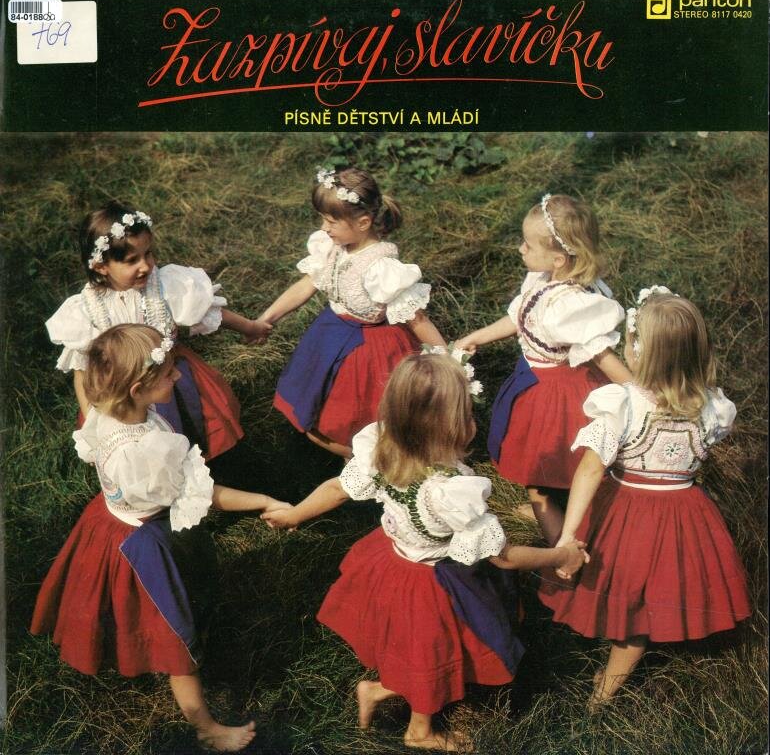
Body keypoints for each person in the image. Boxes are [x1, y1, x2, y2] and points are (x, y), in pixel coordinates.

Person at [263, 352, 588, 751]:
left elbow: (337, 488)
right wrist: (560, 556)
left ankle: (378, 690)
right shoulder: (450, 491)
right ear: (452, 426)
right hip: (433, 583)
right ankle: (419, 731)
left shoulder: (382, 447)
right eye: (467, 413)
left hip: (391, 563)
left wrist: (295, 514)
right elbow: (502, 556)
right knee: (431, 655)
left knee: (415, 651)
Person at [31, 324, 289, 752]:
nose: (179, 376)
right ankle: (205, 727)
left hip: (109, 524)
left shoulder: (106, 414)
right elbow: (207, 495)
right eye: (169, 373)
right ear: (137, 389)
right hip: (142, 544)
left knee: (136, 609)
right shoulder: (146, 450)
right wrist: (263, 500)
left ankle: (144, 648)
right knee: (175, 638)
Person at [539, 288, 752, 710]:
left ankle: (602, 697)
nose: (626, 348)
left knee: (630, 602)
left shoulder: (623, 404)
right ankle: (615, 670)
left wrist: (567, 536)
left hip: (628, 513)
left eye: (631, 341)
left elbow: (590, 470)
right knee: (653, 590)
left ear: (643, 354)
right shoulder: (713, 407)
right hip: (685, 513)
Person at [456, 193, 631, 545]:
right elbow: (519, 317)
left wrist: (639, 390)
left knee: (543, 468)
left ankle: (561, 545)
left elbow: (602, 355)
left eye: (527, 244)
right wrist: (478, 336)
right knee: (558, 465)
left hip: (558, 396)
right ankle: (557, 508)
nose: (520, 248)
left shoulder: (569, 306)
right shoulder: (542, 280)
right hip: (534, 381)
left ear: (558, 258)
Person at [45, 200, 271, 463]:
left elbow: (211, 313)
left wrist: (250, 327)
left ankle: (196, 467)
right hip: (123, 393)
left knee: (188, 431)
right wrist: (91, 424)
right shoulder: (86, 311)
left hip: (169, 379)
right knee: (140, 455)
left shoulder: (163, 286)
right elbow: (82, 371)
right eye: (132, 260)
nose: (146, 265)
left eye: (148, 254)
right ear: (100, 266)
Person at [257, 167, 445, 459]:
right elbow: (307, 284)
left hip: (370, 349)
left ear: (363, 222)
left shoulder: (381, 268)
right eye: (323, 219)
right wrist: (267, 318)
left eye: (331, 221)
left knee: (361, 412)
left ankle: (373, 462)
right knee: (322, 400)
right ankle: (357, 459)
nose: (324, 228)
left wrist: (447, 360)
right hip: (330, 334)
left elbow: (417, 319)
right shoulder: (335, 247)